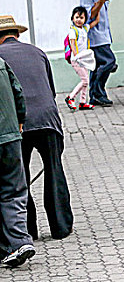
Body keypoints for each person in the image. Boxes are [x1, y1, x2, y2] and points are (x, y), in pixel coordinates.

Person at [0, 15, 73, 241]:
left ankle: (28, 229)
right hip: (48, 119)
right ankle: (60, 227)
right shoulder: (38, 52)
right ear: (17, 34)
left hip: (18, 123)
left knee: (19, 178)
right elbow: (50, 90)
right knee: (54, 169)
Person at [0, 53, 35, 267]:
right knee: (13, 192)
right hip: (11, 137)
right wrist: (19, 122)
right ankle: (19, 242)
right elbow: (18, 94)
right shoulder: (1, 63)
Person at [80, 0, 117, 107]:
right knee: (109, 61)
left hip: (104, 34)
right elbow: (89, 14)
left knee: (96, 66)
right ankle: (98, 93)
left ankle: (95, 95)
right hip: (95, 36)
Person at [64, 6, 99, 111]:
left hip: (83, 59)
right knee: (84, 80)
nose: (79, 20)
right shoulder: (73, 31)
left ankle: (83, 102)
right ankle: (71, 97)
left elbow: (96, 21)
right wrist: (76, 56)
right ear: (73, 18)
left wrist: (99, 7)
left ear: (85, 19)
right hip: (77, 59)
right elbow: (73, 44)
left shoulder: (84, 29)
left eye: (81, 17)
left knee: (86, 81)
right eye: (77, 17)